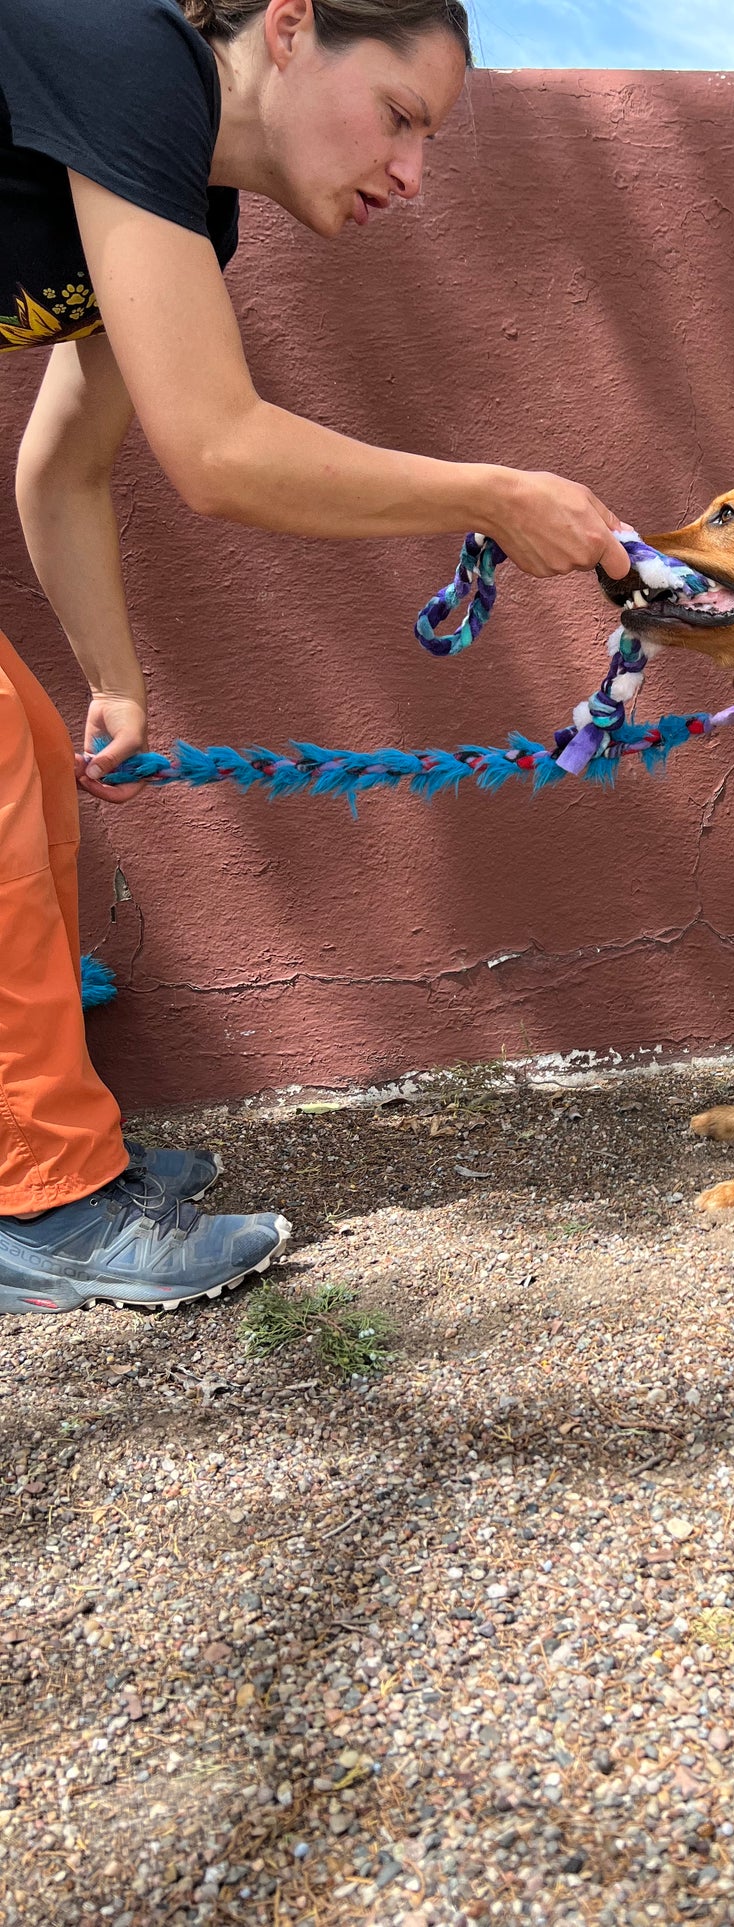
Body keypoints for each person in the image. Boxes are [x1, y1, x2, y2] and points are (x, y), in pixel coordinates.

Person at [0, 0, 630, 1316]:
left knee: (31, 765)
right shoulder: (120, 56)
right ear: (288, 26)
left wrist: (112, 677)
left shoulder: (182, 196)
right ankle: (42, 1198)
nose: (413, 171)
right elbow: (218, 450)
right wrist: (492, 493)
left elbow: (63, 464)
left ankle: (43, 1157)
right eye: (401, 115)